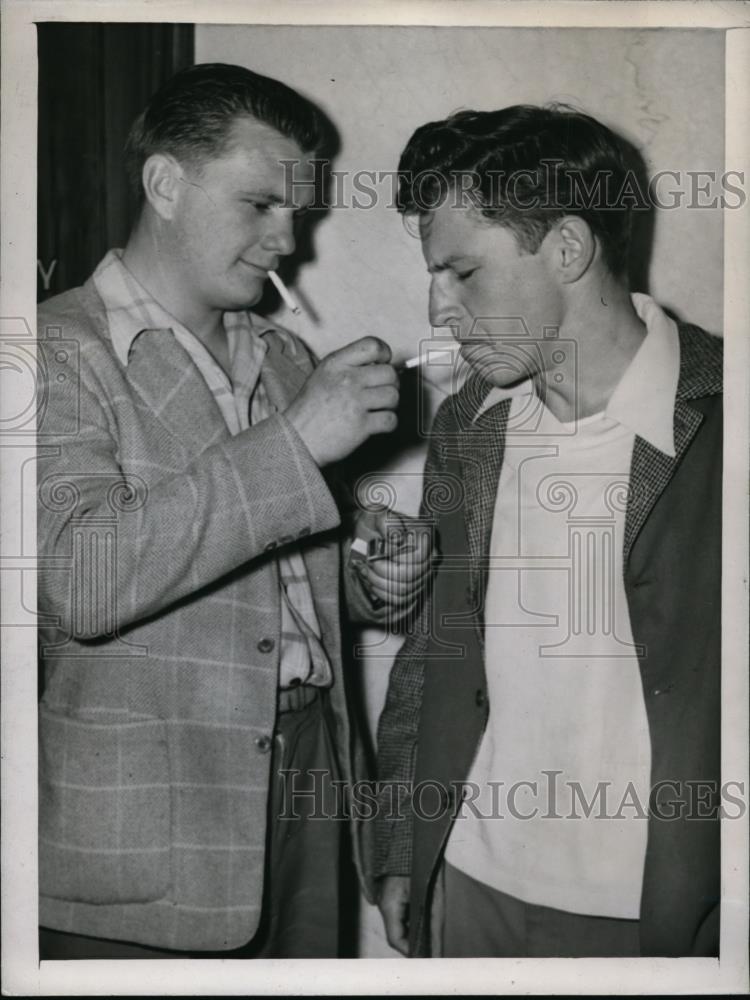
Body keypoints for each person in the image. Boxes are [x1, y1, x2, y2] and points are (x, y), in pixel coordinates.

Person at [36, 62, 431, 959]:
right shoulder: (54, 352)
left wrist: (370, 573)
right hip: (142, 830)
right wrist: (296, 445)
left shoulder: (284, 357)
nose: (285, 240)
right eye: (261, 205)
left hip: (309, 784)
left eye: (296, 210)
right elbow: (80, 580)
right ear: (165, 183)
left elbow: (271, 582)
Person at [375, 104, 721, 958]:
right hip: (473, 877)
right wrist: (403, 848)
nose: (438, 309)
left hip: (661, 904)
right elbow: (431, 651)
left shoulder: (725, 420)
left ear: (567, 249)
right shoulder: (471, 423)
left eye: (463, 273)